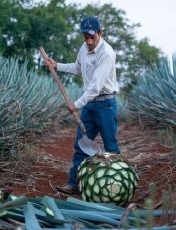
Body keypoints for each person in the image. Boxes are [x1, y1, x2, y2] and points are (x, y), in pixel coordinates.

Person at [45, 16, 120, 195]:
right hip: (90, 106)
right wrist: (57, 66)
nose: (88, 41)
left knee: (110, 147)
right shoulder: (84, 48)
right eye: (85, 37)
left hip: (105, 105)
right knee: (82, 144)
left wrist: (76, 104)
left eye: (92, 37)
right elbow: (78, 68)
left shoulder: (107, 53)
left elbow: (96, 86)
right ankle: (75, 183)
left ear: (100, 33)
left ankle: (116, 186)